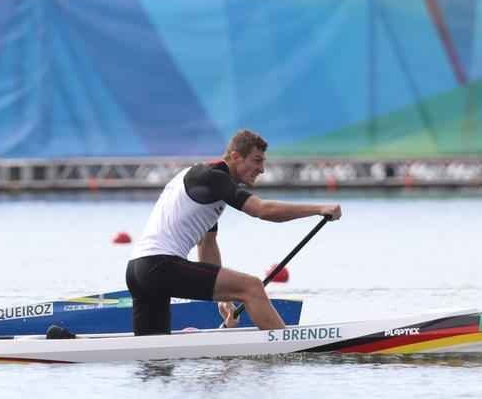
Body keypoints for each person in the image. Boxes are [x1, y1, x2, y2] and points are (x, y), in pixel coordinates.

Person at [125, 129, 341, 336]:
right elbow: (262, 210)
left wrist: (223, 299)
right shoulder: (213, 177)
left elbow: (207, 244)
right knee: (251, 287)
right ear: (236, 156)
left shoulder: (204, 183)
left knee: (154, 355)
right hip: (160, 266)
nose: (262, 169)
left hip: (137, 270)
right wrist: (318, 209)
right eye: (256, 160)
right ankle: (288, 347)